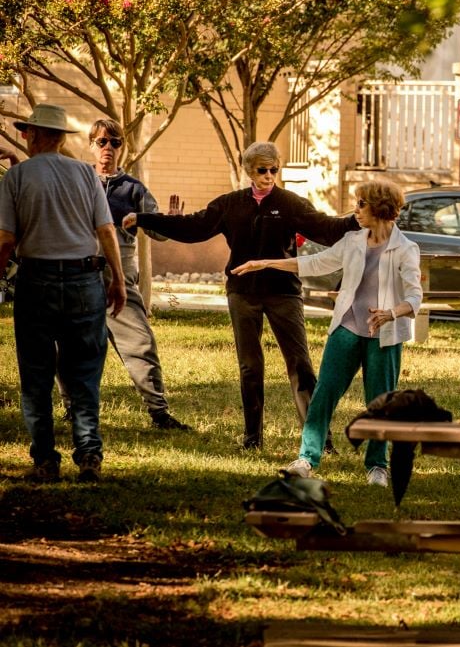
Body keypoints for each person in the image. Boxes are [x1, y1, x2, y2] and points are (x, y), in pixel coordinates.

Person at [123, 141, 358, 450]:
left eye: (275, 169)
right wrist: (145, 219)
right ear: (249, 171)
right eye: (263, 170)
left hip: (283, 293)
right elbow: (194, 226)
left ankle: (318, 439)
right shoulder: (230, 204)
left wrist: (358, 219)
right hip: (242, 293)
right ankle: (252, 438)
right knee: (250, 366)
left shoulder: (291, 204)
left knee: (300, 364)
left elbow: (326, 228)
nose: (269, 175)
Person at [231, 179, 422, 486]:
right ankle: (307, 458)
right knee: (323, 395)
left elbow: (415, 297)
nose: (355, 210)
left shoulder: (405, 249)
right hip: (346, 328)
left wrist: (391, 313)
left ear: (380, 207)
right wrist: (265, 263)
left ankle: (377, 466)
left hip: (384, 336)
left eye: (361, 204)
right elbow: (316, 263)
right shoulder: (353, 241)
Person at [0, 104, 127, 482]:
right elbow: (106, 230)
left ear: (34, 135)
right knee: (84, 371)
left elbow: (5, 240)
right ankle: (88, 454)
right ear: (60, 138)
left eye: (27, 132)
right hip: (84, 280)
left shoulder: (17, 177)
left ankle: (44, 459)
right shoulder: (86, 175)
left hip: (36, 280)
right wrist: (117, 279)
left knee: (36, 373)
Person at [75, 119, 191, 430]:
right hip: (80, 275)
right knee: (76, 346)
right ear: (91, 145)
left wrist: (171, 223)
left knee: (140, 343)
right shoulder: (79, 180)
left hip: (120, 278)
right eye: (101, 142)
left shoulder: (133, 188)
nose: (108, 148)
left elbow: (157, 231)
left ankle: (159, 412)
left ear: (122, 147)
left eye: (115, 142)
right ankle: (72, 409)